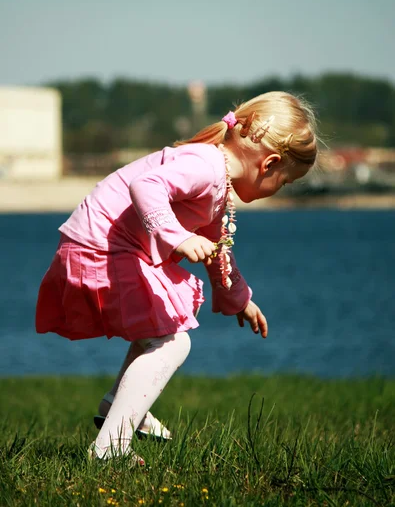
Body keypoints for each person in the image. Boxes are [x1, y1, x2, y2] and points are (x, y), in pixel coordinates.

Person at [35, 91, 318, 464]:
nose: (278, 191)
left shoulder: (220, 186)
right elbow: (146, 187)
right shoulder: (205, 166)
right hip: (99, 247)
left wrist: (239, 297)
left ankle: (117, 408)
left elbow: (218, 251)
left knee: (159, 329)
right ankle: (109, 447)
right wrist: (177, 235)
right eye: (284, 183)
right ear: (269, 164)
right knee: (173, 342)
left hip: (103, 245)